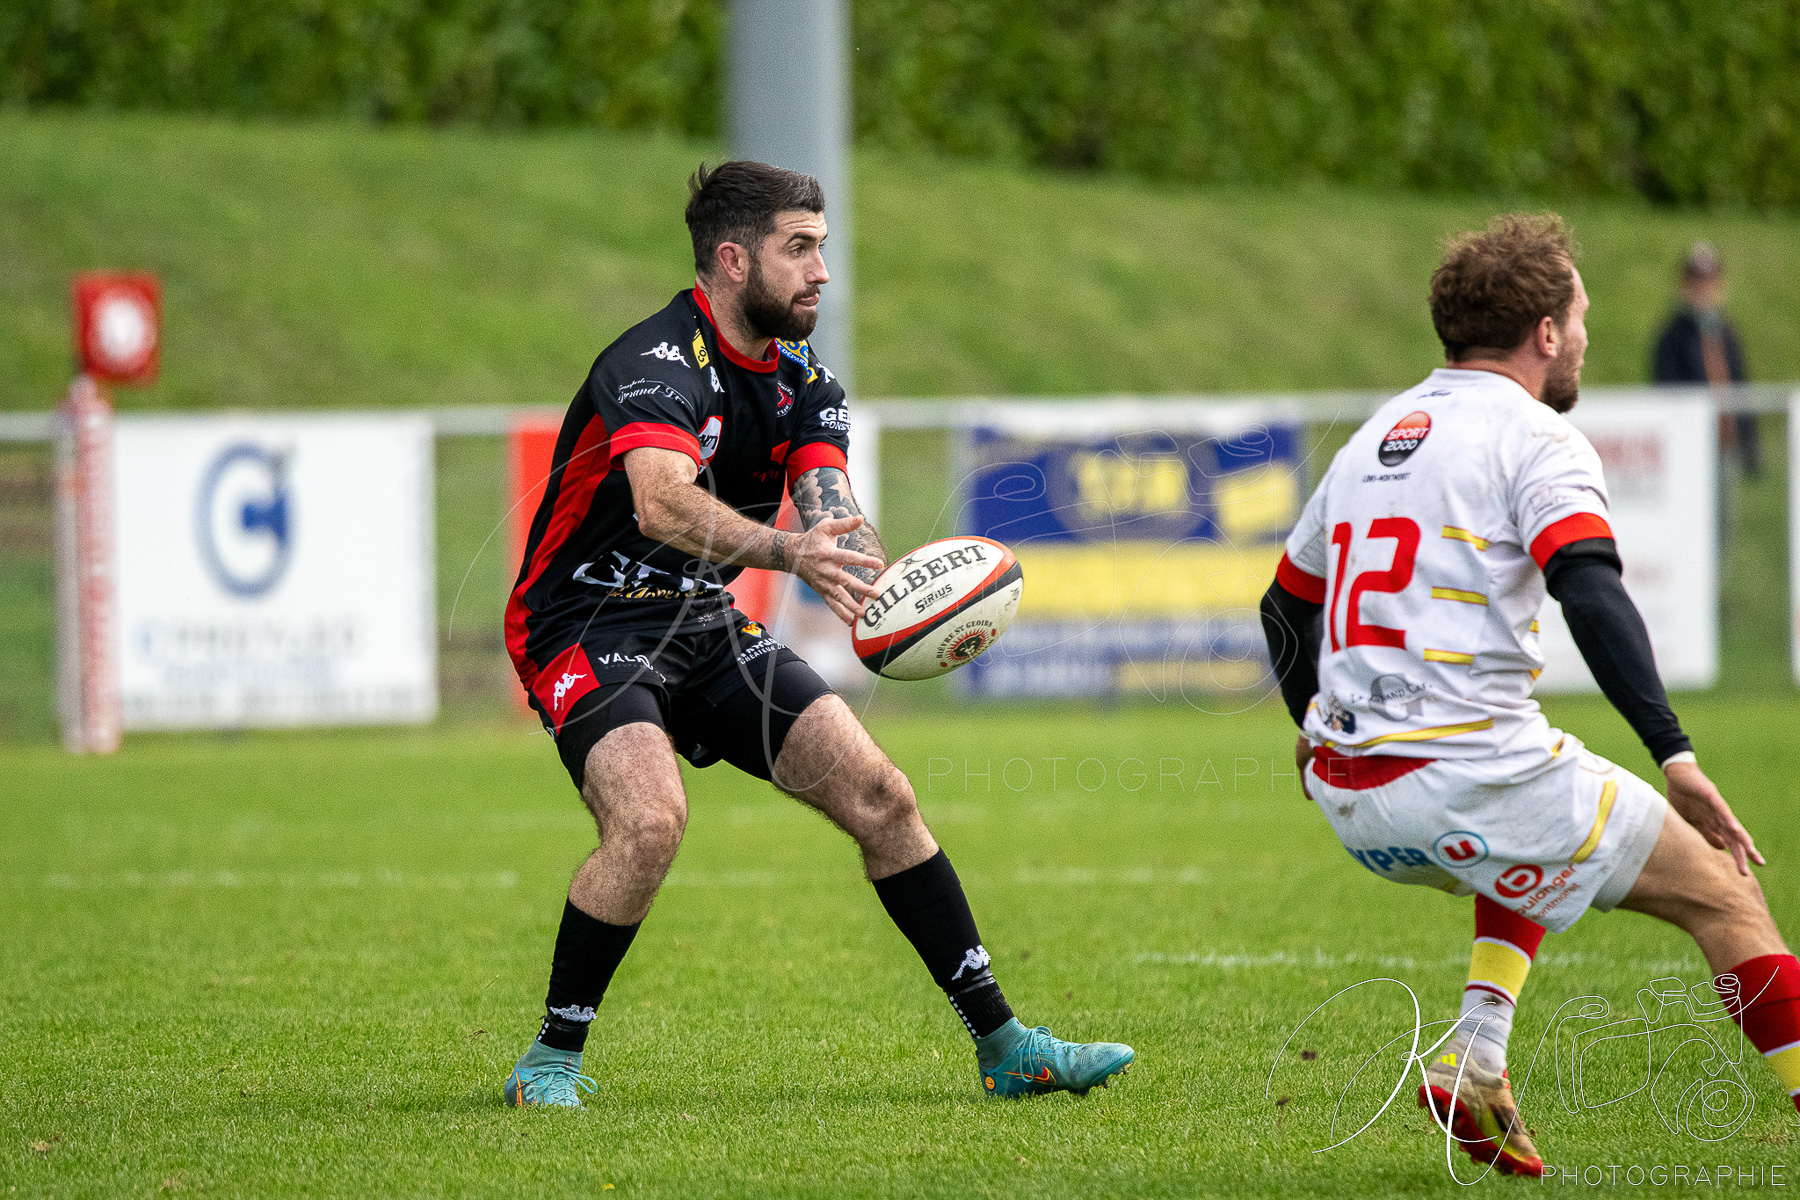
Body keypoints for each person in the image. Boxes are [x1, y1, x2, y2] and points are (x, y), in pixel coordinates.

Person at [500, 160, 1133, 1107]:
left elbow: (830, 506)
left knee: (882, 794)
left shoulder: (807, 383)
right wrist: (792, 553)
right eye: (799, 249)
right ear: (731, 258)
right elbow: (663, 503)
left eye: (823, 249)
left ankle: (1008, 1049)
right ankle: (548, 1062)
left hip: (702, 623)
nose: (821, 272)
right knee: (651, 819)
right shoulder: (653, 363)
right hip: (582, 622)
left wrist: (892, 588)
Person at [1259, 214, 1799, 1176]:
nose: (1586, 333)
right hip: (1464, 773)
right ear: (1546, 332)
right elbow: (1589, 587)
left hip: (1355, 793)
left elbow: (1282, 608)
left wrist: (1313, 724)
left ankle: (1474, 1055)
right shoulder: (1534, 436)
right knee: (1727, 896)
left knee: (1541, 828)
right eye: (1581, 313)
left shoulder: (1376, 433)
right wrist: (1674, 754)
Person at [1651, 241, 1758, 474]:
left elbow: (1740, 386)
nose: (1703, 287)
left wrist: (1749, 444)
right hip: (1691, 447)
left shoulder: (1727, 333)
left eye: (1709, 280)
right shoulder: (1673, 336)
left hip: (1725, 445)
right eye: (1696, 280)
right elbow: (1666, 392)